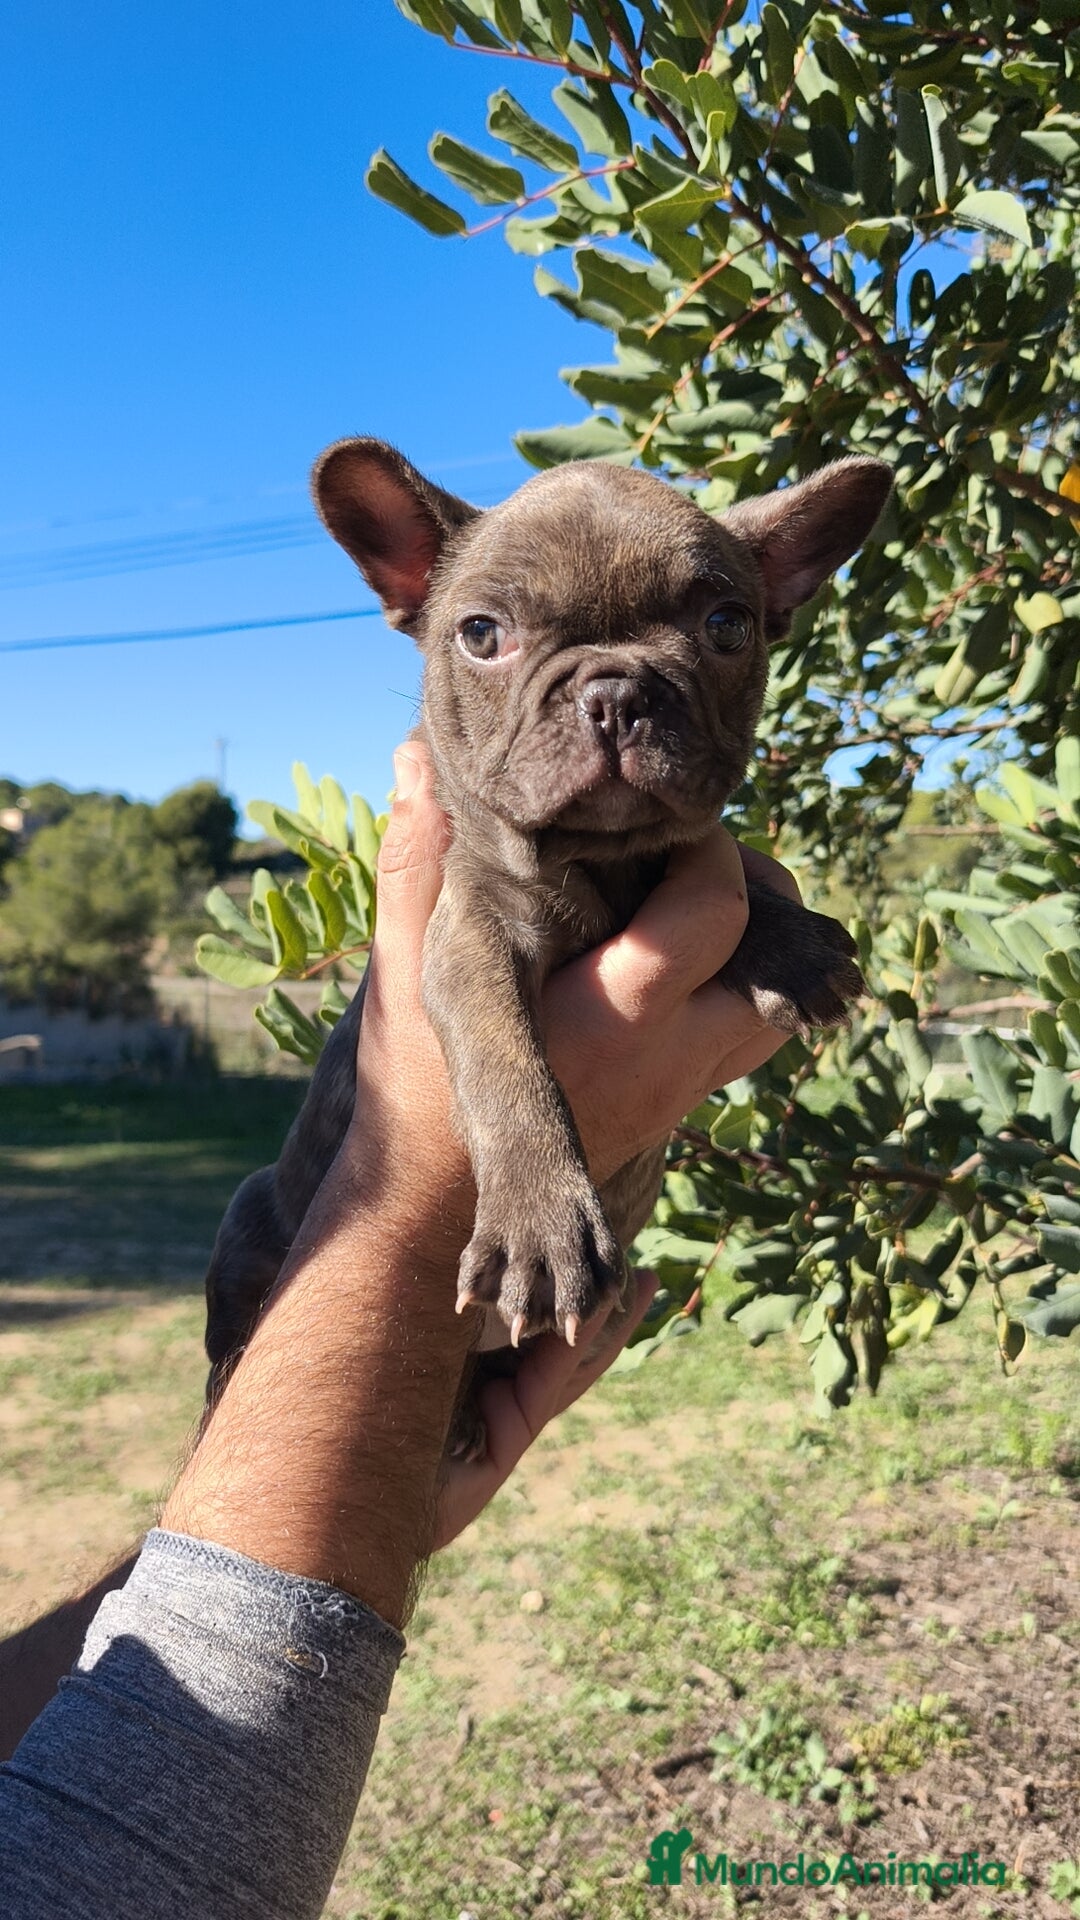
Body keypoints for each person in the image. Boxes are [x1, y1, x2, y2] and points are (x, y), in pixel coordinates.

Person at [0, 741, 794, 1918]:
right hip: (340, 1257)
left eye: (716, 627)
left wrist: (322, 1487)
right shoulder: (487, 864)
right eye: (488, 632)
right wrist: (429, 1205)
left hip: (455, 1375)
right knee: (256, 1224)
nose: (612, 692)